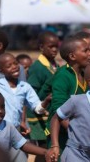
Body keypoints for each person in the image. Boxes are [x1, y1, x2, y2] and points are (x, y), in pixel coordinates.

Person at [0, 53, 51, 162]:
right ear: (0, 71)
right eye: (9, 66)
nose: (14, 67)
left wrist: (46, 101)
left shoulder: (25, 87)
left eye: (15, 63)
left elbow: (37, 108)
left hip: (16, 132)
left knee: (20, 158)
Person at [46, 36, 90, 157]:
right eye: (85, 51)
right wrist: (77, 133)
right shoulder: (63, 76)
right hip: (61, 135)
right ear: (72, 57)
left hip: (81, 134)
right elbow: (59, 110)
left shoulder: (86, 73)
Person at [26, 31, 59, 162]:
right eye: (51, 46)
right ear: (41, 47)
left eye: (57, 46)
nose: (55, 49)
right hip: (39, 118)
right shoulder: (37, 67)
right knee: (44, 150)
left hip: (50, 115)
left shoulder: (55, 64)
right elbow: (31, 94)